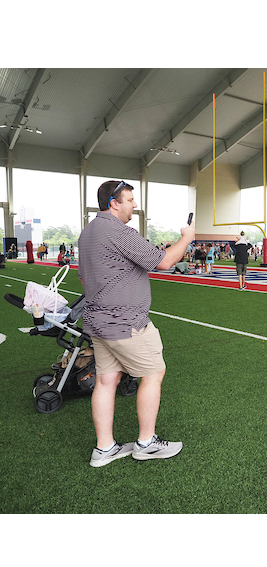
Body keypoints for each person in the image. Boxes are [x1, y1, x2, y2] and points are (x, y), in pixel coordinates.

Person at [78, 180, 196, 467]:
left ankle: (104, 448)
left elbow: (85, 277)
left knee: (106, 381)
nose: (134, 204)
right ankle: (146, 443)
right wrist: (187, 238)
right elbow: (165, 262)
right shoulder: (119, 231)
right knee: (154, 374)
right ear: (113, 203)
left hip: (97, 322)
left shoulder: (88, 232)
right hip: (125, 323)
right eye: (129, 199)